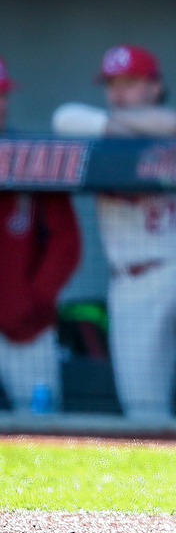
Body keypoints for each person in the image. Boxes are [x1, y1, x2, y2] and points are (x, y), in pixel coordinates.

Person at [51, 44, 176, 421]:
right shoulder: (98, 134)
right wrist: (116, 126)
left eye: (131, 83)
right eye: (112, 84)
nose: (119, 93)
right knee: (143, 415)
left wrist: (116, 126)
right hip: (131, 285)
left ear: (156, 87)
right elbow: (62, 118)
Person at [0, 56, 83, 413]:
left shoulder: (34, 157)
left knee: (40, 429)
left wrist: (31, 298)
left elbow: (68, 243)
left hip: (27, 326)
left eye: (4, 95)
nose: (1, 105)